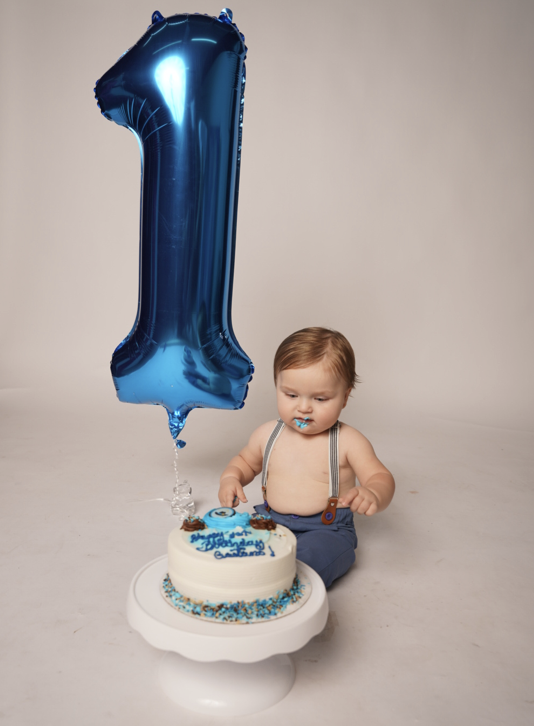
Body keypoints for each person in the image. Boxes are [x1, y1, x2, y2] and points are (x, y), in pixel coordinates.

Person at [218, 327, 395, 588]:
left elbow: (380, 476)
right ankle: (239, 586)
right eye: (291, 395)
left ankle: (281, 593)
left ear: (345, 397)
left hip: (328, 530)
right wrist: (231, 477)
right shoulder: (267, 434)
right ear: (277, 386)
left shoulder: (348, 441)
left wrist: (374, 494)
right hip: (270, 522)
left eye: (320, 398)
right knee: (236, 548)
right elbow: (244, 462)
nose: (303, 408)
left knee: (309, 563)